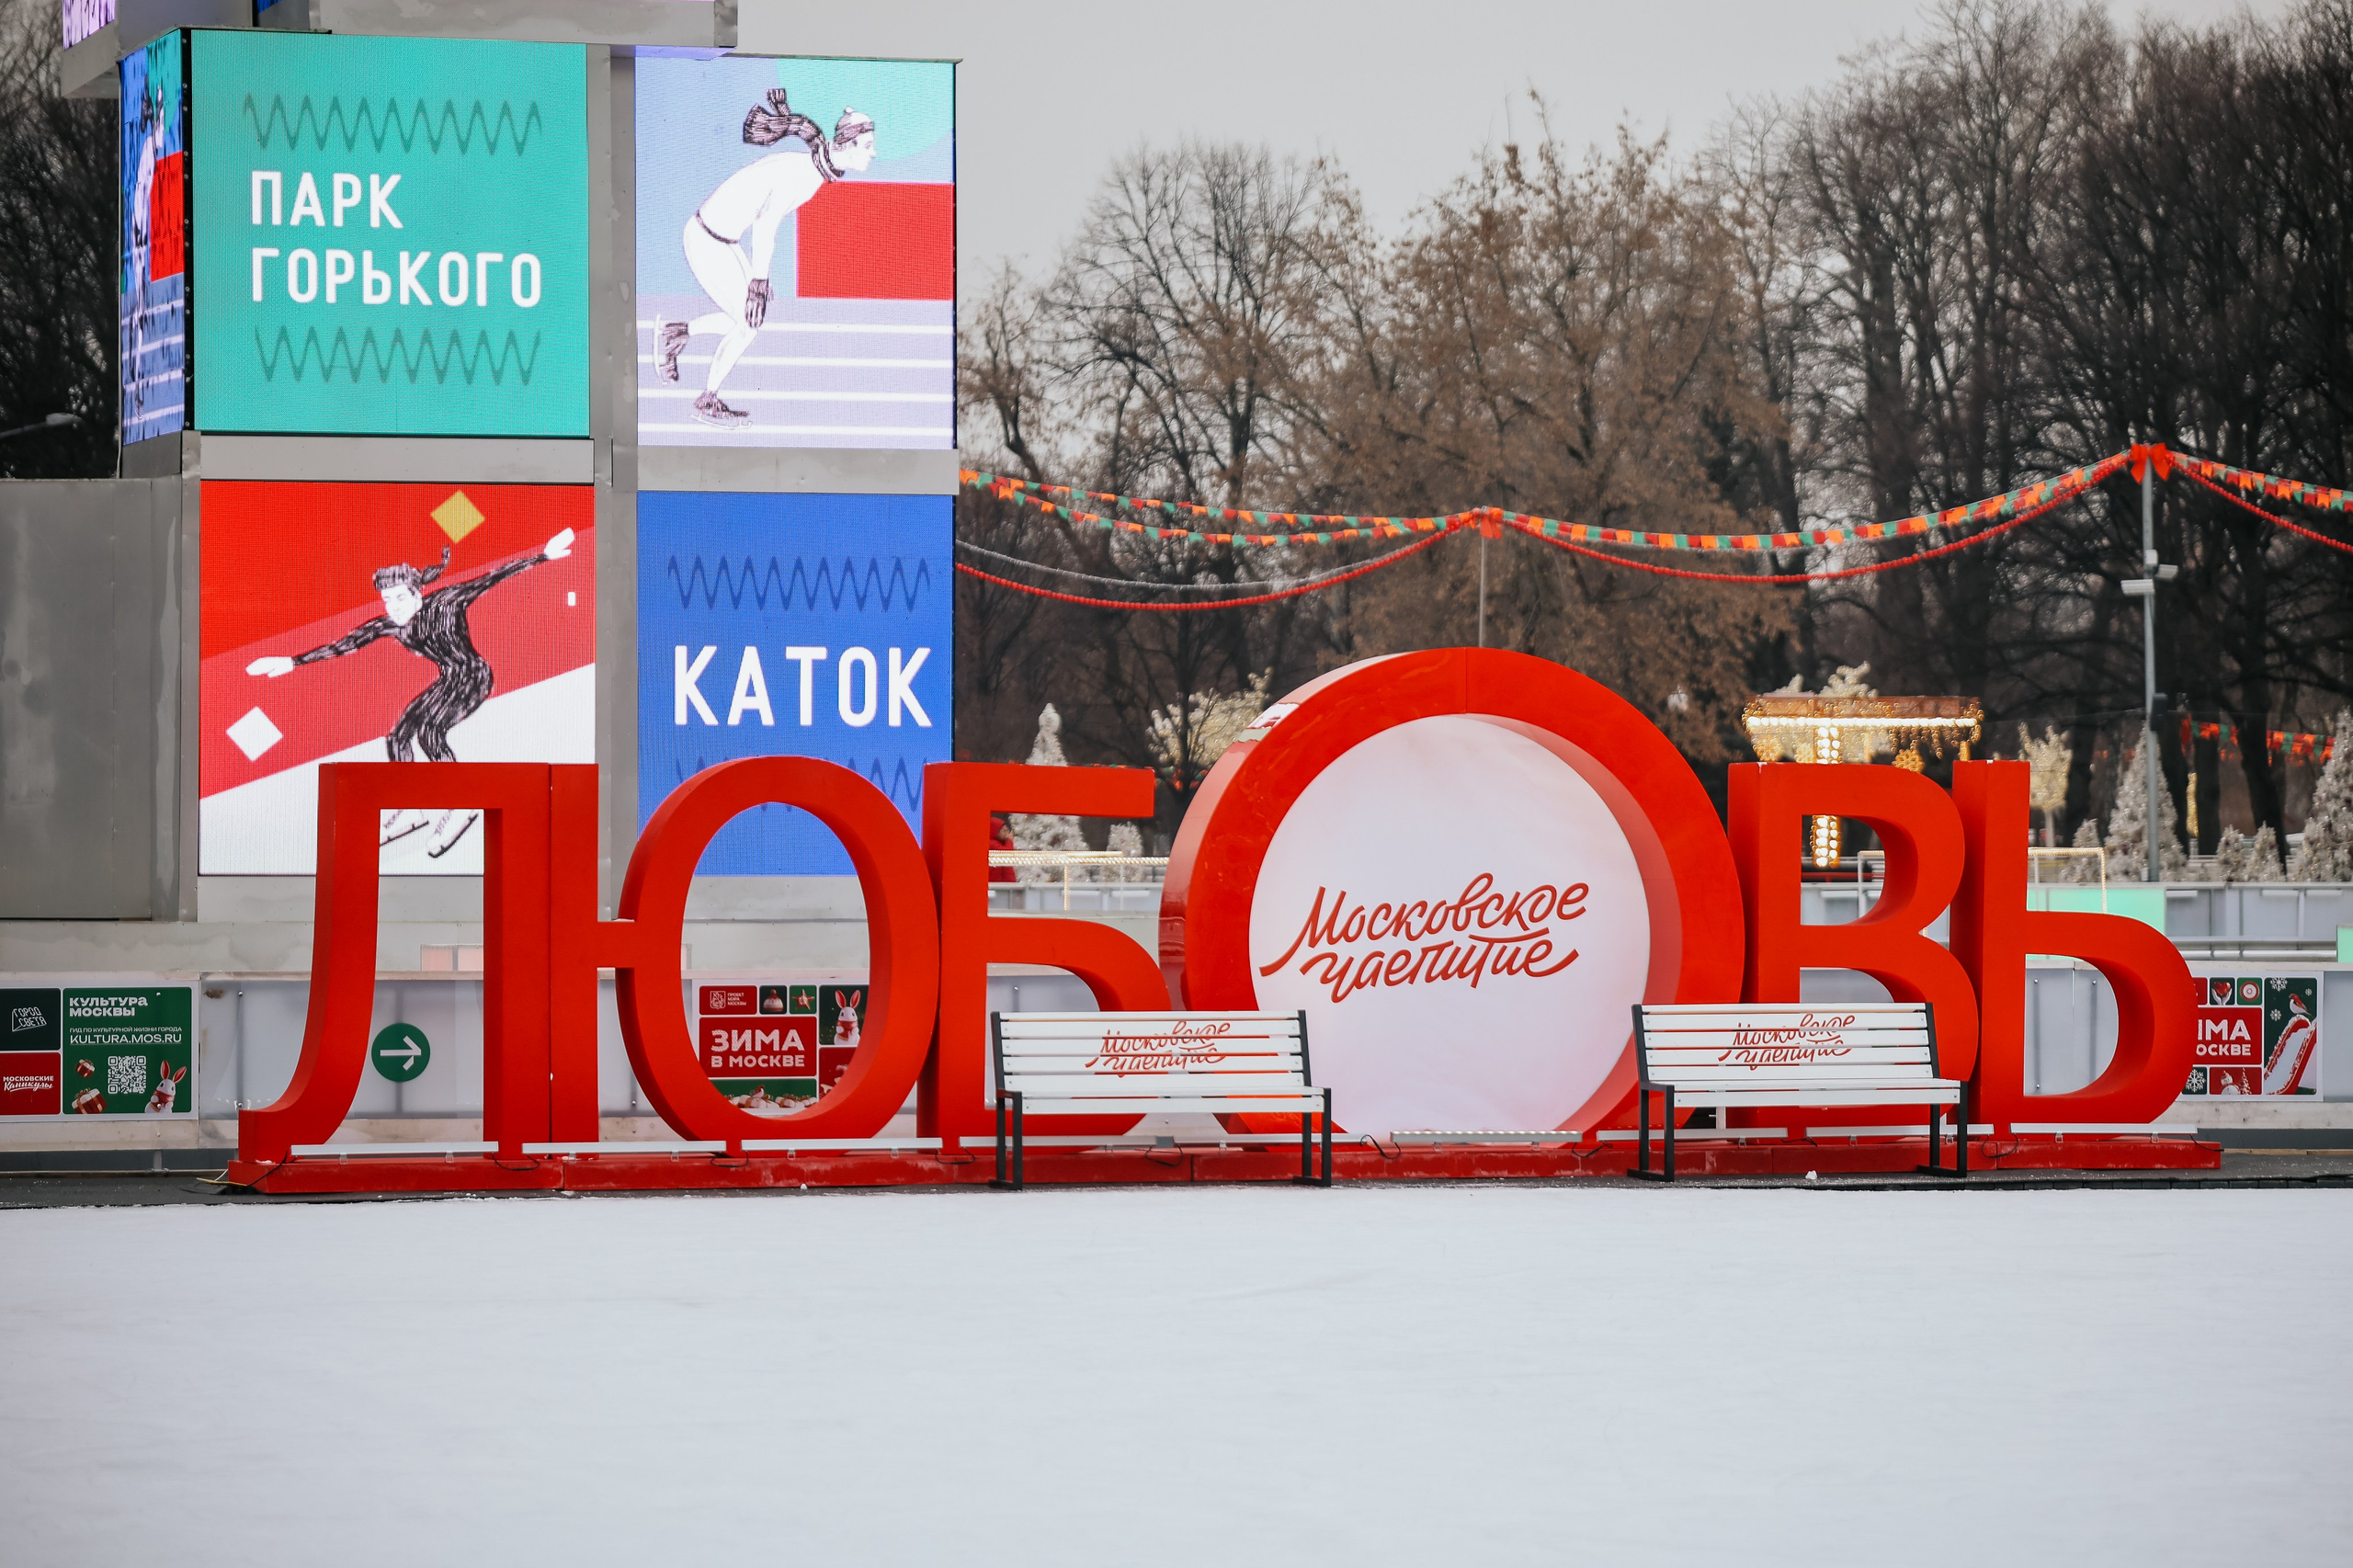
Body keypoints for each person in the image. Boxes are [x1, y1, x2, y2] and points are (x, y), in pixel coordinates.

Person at [246, 528, 574, 858]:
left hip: (474, 676)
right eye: (388, 600)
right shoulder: (390, 625)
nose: (394, 607)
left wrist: (544, 555)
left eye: (400, 598)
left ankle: (463, 802)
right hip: (448, 679)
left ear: (417, 594)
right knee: (398, 736)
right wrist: (292, 661)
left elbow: (493, 577)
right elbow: (345, 644)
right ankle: (411, 806)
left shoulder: (446, 602)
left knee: (430, 731)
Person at [654, 89, 877, 427]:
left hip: (720, 240)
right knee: (747, 324)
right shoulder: (806, 175)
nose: (873, 153)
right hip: (707, 241)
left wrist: (758, 281)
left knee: (745, 321)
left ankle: (676, 334)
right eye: (868, 145)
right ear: (847, 144)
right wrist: (758, 282)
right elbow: (765, 225)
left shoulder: (811, 167)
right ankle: (706, 399)